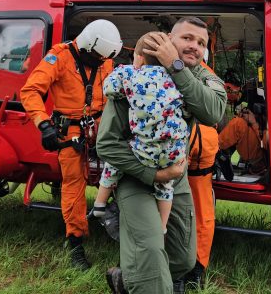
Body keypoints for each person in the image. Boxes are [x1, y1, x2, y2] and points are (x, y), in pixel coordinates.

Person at [97, 17, 226, 294]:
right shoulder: (135, 76)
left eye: (201, 43)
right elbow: (106, 144)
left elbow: (214, 111)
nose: (194, 47)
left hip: (174, 180)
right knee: (152, 254)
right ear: (168, 39)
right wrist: (154, 175)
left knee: (183, 257)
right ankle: (146, 282)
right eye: (187, 38)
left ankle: (125, 279)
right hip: (135, 175)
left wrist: (176, 67)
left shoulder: (201, 76)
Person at [19, 19, 122, 271]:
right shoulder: (59, 57)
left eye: (104, 60)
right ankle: (75, 243)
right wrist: (44, 124)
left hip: (101, 127)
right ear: (86, 48)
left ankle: (121, 228)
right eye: (97, 58)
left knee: (123, 174)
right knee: (73, 185)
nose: (101, 63)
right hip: (71, 132)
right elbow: (30, 91)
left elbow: (111, 92)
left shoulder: (104, 57)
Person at [91, 33, 190, 234]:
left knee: (114, 162)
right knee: (167, 185)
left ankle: (100, 205)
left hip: (145, 151)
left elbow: (108, 89)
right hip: (174, 153)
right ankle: (162, 226)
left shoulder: (130, 74)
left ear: (140, 58)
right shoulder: (176, 78)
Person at [184, 121, 219, 289]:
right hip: (202, 183)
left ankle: (186, 271)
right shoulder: (212, 133)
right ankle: (197, 270)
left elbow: (181, 164)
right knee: (205, 220)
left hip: (186, 182)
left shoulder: (193, 132)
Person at [218, 103, 267, 174]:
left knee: (238, 123)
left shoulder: (239, 123)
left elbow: (265, 144)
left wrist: (254, 123)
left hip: (260, 164)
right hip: (258, 165)